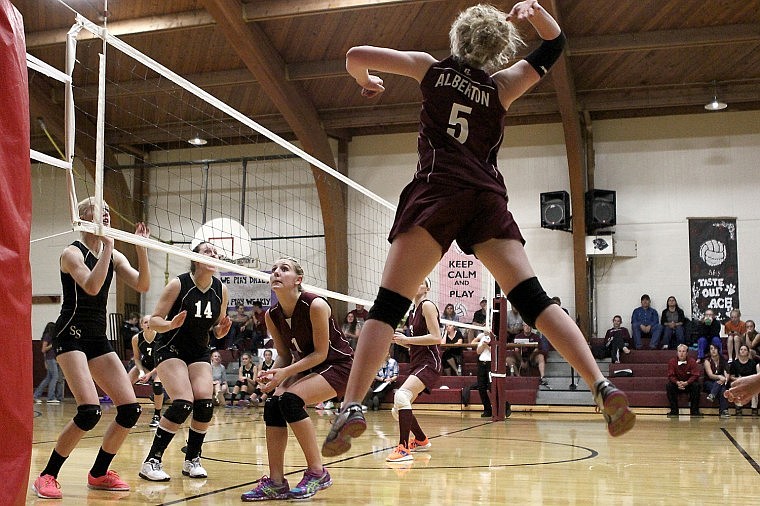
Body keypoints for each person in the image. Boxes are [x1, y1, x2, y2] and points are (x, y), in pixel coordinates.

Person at [323, 2, 635, 458]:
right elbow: (555, 44)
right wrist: (534, 12)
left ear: (457, 36)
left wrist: (366, 81)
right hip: (486, 198)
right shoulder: (502, 85)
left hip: (436, 191)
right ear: (496, 50)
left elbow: (355, 54)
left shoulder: (428, 68)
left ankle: (352, 405)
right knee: (535, 301)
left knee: (387, 308)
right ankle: (600, 383)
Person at [32, 198, 150, 500]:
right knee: (89, 411)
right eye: (100, 208)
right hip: (70, 334)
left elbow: (143, 285)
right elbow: (92, 286)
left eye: (109, 209)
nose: (107, 212)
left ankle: (99, 473)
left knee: (130, 409)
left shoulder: (114, 255)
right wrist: (109, 247)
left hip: (97, 336)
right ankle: (47, 475)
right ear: (84, 216)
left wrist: (141, 249)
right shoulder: (71, 253)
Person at [240, 257, 353, 501]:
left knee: (290, 401)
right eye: (273, 270)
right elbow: (283, 354)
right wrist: (271, 374)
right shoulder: (272, 315)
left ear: (298, 280)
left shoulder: (316, 305)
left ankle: (317, 472)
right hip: (307, 367)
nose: (276, 273)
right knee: (273, 405)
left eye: (284, 269)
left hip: (338, 365)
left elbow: (321, 353)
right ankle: (276, 482)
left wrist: (285, 374)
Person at [139, 241, 232, 482]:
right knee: (182, 402)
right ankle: (152, 461)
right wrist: (170, 325)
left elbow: (216, 329)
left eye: (216, 252)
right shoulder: (179, 284)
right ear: (195, 258)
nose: (213, 254)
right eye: (207, 251)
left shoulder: (220, 289)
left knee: (205, 403)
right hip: (170, 347)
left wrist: (221, 332)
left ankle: (192, 460)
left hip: (199, 351)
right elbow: (155, 321)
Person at [385, 278, 442, 463]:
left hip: (429, 362)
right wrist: (404, 342)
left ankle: (403, 449)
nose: (416, 281)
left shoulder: (427, 305)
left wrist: (408, 340)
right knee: (399, 408)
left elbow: (436, 338)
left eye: (421, 280)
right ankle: (421, 440)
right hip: (417, 361)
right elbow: (418, 342)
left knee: (401, 396)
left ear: (427, 288)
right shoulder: (412, 312)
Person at [127, 316, 164, 427]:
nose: (148, 324)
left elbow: (163, 360)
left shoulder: (161, 337)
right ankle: (131, 411)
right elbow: (137, 358)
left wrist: (149, 374)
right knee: (125, 384)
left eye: (151, 322)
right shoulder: (136, 338)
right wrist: (141, 372)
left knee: (157, 385)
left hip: (160, 366)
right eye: (146, 322)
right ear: (141, 325)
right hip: (145, 364)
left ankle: (157, 416)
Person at [665, 344, 702, 418]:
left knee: (696, 386)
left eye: (683, 351)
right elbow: (671, 375)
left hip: (689, 384)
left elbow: (695, 375)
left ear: (687, 353)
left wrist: (687, 383)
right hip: (677, 384)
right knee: (669, 386)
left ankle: (694, 411)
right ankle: (674, 411)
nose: (681, 353)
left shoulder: (692, 361)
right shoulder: (672, 362)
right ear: (677, 353)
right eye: (679, 351)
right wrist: (677, 382)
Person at [727, 344, 759, 416]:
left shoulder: (752, 363)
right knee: (736, 388)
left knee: (755, 389)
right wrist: (739, 379)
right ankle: (738, 408)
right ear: (739, 352)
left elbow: (755, 376)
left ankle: (754, 409)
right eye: (741, 349)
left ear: (748, 352)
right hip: (738, 382)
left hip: (750, 382)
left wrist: (747, 380)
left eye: (745, 350)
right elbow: (731, 376)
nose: (743, 351)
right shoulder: (734, 363)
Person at [33, 322, 60, 404]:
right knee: (55, 377)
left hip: (52, 359)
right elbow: (43, 349)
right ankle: (51, 398)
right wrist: (52, 345)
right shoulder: (48, 336)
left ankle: (36, 395)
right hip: (50, 359)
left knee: (48, 378)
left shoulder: (50, 336)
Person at [703, 343, 729, 418]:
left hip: (721, 382)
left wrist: (724, 379)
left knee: (722, 389)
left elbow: (726, 373)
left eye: (715, 348)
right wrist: (720, 377)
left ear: (718, 350)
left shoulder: (723, 360)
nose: (713, 350)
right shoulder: (707, 361)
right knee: (721, 387)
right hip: (708, 382)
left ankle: (712, 395)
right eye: (711, 349)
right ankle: (724, 411)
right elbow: (710, 375)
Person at [471, 329, 493, 417]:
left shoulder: (495, 339)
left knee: (492, 387)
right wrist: (483, 345)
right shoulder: (483, 338)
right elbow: (478, 351)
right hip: (481, 364)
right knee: (481, 387)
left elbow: (494, 351)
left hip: (490, 364)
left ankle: (503, 406)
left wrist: (487, 346)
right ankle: (487, 410)